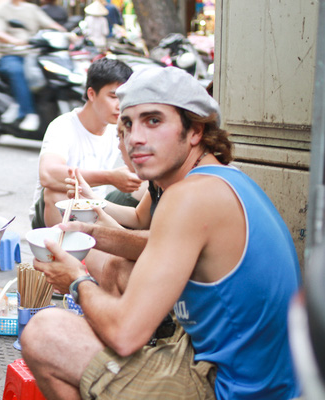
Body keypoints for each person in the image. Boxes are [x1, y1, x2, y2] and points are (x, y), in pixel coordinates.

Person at [21, 67, 302, 399]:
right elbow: (157, 243)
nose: (134, 138)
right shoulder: (224, 179)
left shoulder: (189, 196)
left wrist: (76, 280)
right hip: (259, 375)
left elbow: (124, 335)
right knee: (115, 267)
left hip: (233, 388)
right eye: (127, 124)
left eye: (153, 121)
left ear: (194, 130)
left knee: (44, 332)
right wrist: (89, 231)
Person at [30, 57, 142, 230]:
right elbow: (48, 174)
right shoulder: (63, 125)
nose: (120, 105)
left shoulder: (118, 128)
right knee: (55, 191)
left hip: (96, 204)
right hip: (57, 211)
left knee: (149, 185)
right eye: (113, 97)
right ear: (91, 94)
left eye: (124, 98)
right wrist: (109, 177)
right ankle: (65, 242)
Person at [0, 0, 66, 132]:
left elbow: (50, 24)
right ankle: (28, 112)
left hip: (33, 54)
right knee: (18, 72)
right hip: (10, 55)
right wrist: (17, 41)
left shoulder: (32, 9)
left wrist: (65, 33)